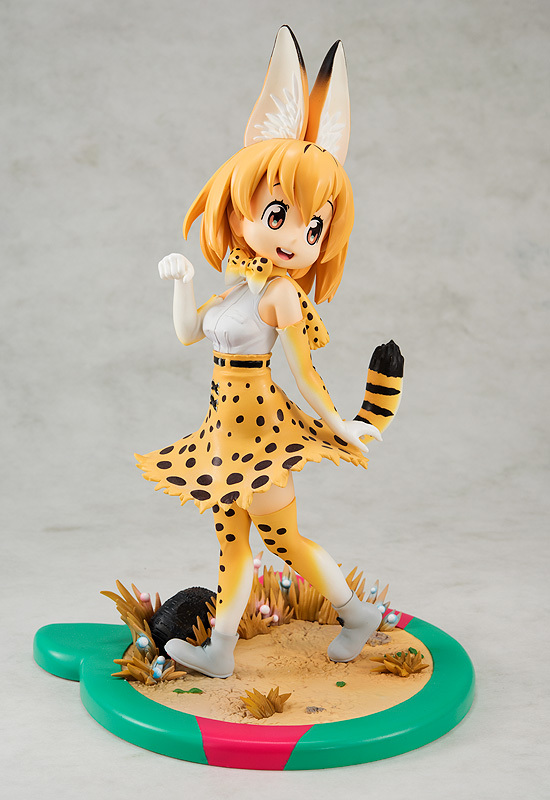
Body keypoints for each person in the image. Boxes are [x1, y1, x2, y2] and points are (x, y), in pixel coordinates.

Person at [136, 27, 402, 678]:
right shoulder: (237, 285)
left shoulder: (281, 294)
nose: (296, 239)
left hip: (260, 436)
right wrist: (182, 282)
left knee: (283, 541)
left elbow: (304, 371)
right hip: (222, 435)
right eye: (279, 214)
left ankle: (354, 614)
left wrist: (342, 424)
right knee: (238, 545)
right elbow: (189, 334)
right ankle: (225, 650)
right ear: (240, 206)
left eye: (314, 226)